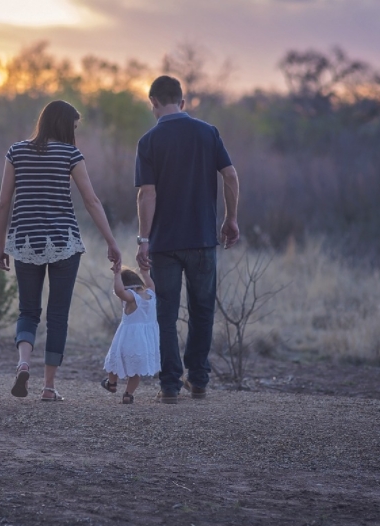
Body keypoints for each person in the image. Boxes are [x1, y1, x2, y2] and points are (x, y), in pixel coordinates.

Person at [0, 100, 121, 402]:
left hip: (25, 242)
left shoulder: (16, 151)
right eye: (74, 126)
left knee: (28, 310)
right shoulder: (70, 154)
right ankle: (48, 387)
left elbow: (2, 203)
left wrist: (1, 246)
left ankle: (23, 362)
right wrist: (111, 241)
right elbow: (91, 201)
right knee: (58, 316)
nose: (75, 132)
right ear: (65, 125)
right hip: (64, 243)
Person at [134, 75, 240, 404]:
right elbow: (231, 175)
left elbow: (146, 195)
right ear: (182, 101)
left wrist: (143, 239)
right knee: (202, 311)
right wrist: (230, 218)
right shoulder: (208, 133)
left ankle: (169, 385)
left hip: (165, 244)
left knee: (166, 314)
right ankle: (199, 380)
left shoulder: (149, 141)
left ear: (153, 102)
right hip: (203, 239)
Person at [101, 266, 160, 404]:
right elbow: (151, 284)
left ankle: (112, 383)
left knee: (114, 360)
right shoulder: (151, 294)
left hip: (128, 338)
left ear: (127, 287)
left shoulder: (131, 298)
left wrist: (116, 275)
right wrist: (145, 273)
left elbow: (119, 291)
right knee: (136, 370)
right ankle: (128, 394)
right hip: (145, 341)